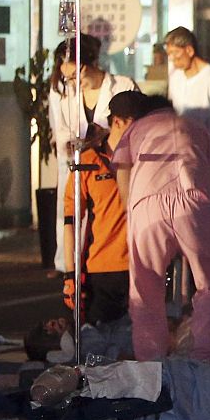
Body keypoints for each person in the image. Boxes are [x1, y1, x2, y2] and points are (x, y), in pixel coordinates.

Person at [109, 91, 210, 363]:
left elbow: (122, 177)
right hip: (195, 202)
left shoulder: (134, 130)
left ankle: (151, 361)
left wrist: (133, 216)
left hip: (146, 205)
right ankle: (207, 358)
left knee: (146, 289)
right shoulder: (196, 127)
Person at [47, 35, 137, 272]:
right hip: (77, 164)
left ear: (89, 66)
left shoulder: (123, 86)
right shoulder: (60, 91)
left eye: (77, 76)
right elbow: (61, 131)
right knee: (70, 213)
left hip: (112, 167)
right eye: (67, 77)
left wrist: (99, 138)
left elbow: (134, 129)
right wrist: (73, 145)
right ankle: (68, 265)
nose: (73, 82)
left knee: (111, 218)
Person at [63, 123, 129, 326]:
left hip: (142, 264)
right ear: (119, 122)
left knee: (143, 346)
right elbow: (70, 222)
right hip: (101, 268)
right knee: (98, 346)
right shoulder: (87, 163)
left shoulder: (145, 159)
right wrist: (69, 275)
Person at [163, 26, 210, 160]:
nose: (171, 59)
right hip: (181, 154)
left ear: (189, 50)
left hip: (208, 156)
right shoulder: (175, 76)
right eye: (169, 54)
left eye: (175, 53)